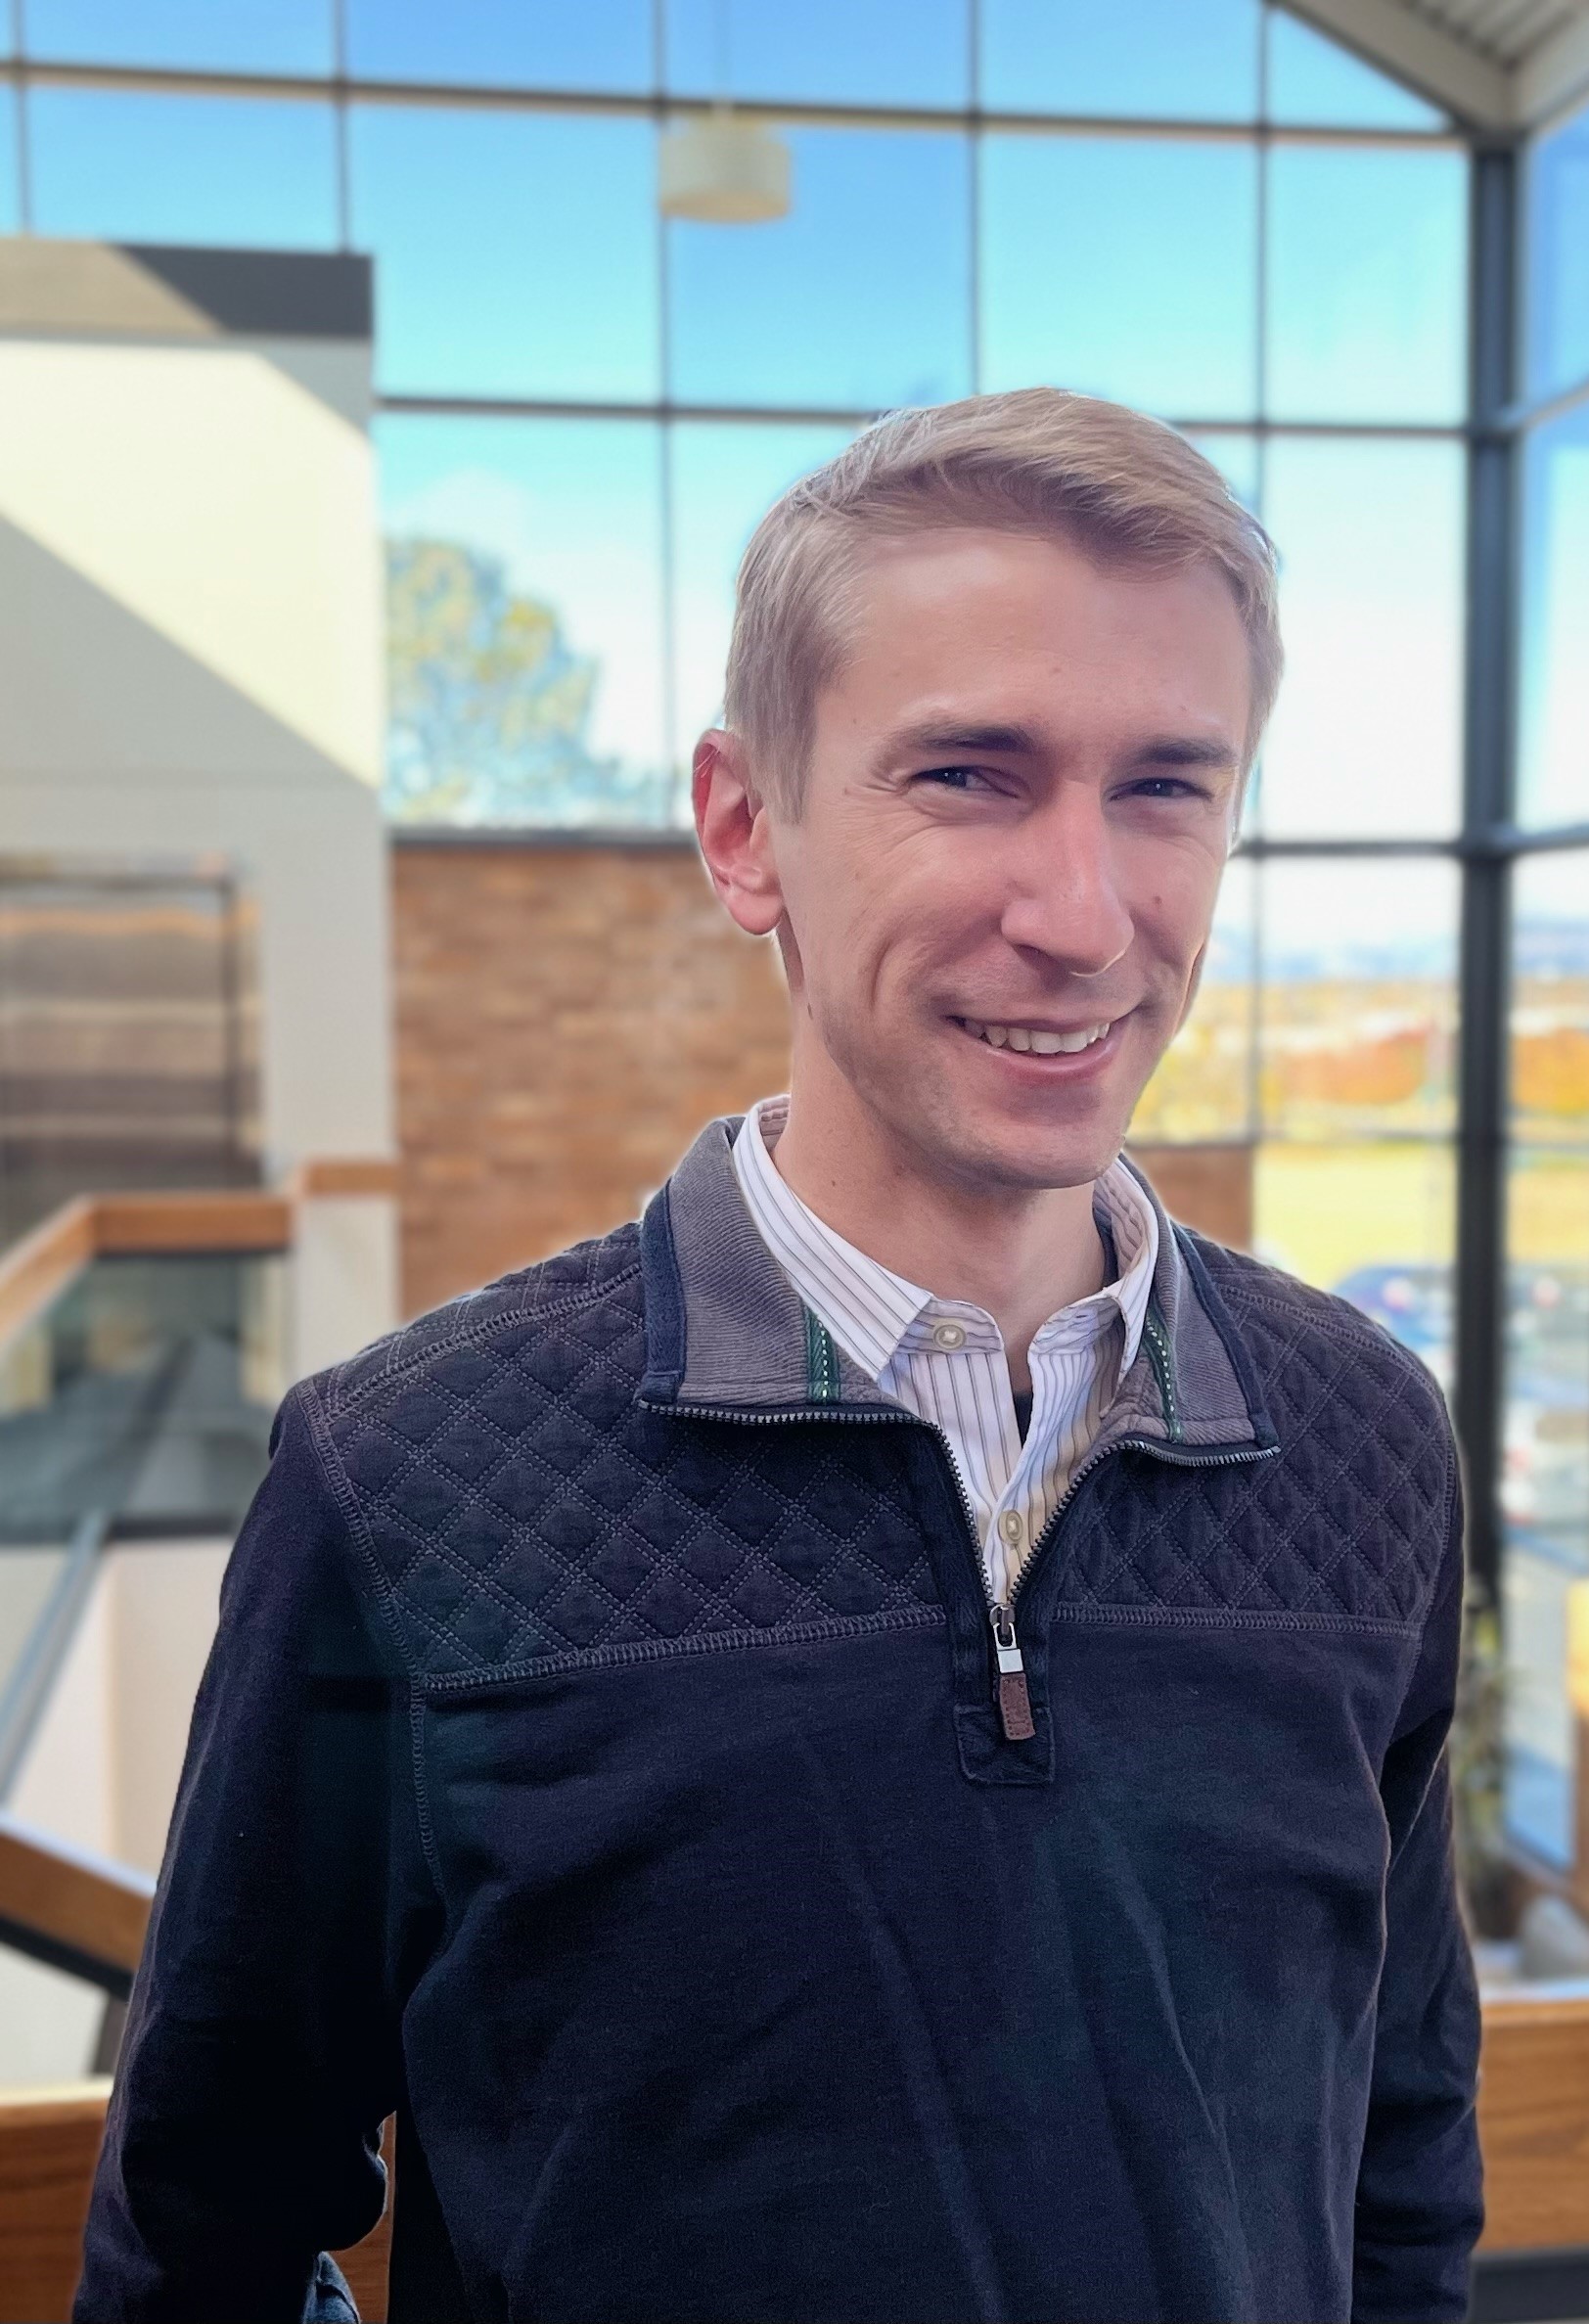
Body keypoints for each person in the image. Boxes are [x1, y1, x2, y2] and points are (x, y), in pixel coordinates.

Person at [77, 388, 1483, 2323]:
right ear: (747, 831)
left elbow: (1395, 2164)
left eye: (1166, 786)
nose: (1085, 915)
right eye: (971, 777)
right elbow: (210, 2229)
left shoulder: (1361, 1446)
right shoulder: (407, 1481)